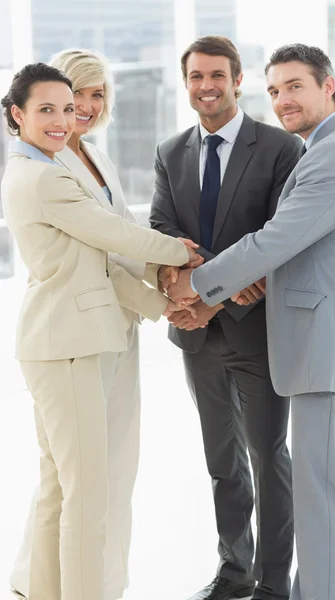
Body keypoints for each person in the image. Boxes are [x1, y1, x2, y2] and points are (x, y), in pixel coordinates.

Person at [169, 44, 335, 600]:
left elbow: (273, 241)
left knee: (323, 503)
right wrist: (215, 299)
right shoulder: (333, 148)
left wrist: (197, 287)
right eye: (274, 90)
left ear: (329, 86)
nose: (282, 100)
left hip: (332, 357)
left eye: (295, 86)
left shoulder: (333, 155)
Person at [1, 62, 199, 600]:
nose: (65, 119)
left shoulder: (42, 166)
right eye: (48, 109)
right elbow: (113, 233)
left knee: (59, 491)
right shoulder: (42, 175)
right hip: (70, 345)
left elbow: (101, 263)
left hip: (64, 342)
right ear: (16, 115)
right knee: (86, 498)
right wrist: (182, 253)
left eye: (69, 108)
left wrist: (159, 302)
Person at [150, 36, 302, 600]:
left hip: (257, 329)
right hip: (198, 335)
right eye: (196, 77)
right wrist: (190, 291)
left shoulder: (280, 148)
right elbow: (163, 230)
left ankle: (273, 582)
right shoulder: (170, 151)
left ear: (238, 80)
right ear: (186, 82)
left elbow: (277, 239)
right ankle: (234, 571)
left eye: (218, 75)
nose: (207, 86)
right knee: (223, 462)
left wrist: (209, 290)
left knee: (268, 458)